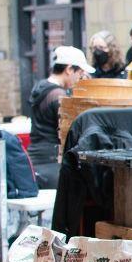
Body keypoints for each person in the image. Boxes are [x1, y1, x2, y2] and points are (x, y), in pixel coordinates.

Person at [27, 46, 94, 187]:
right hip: (52, 162)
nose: (80, 77)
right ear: (69, 69)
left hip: (36, 160)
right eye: (80, 72)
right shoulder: (59, 96)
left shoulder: (41, 87)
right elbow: (69, 131)